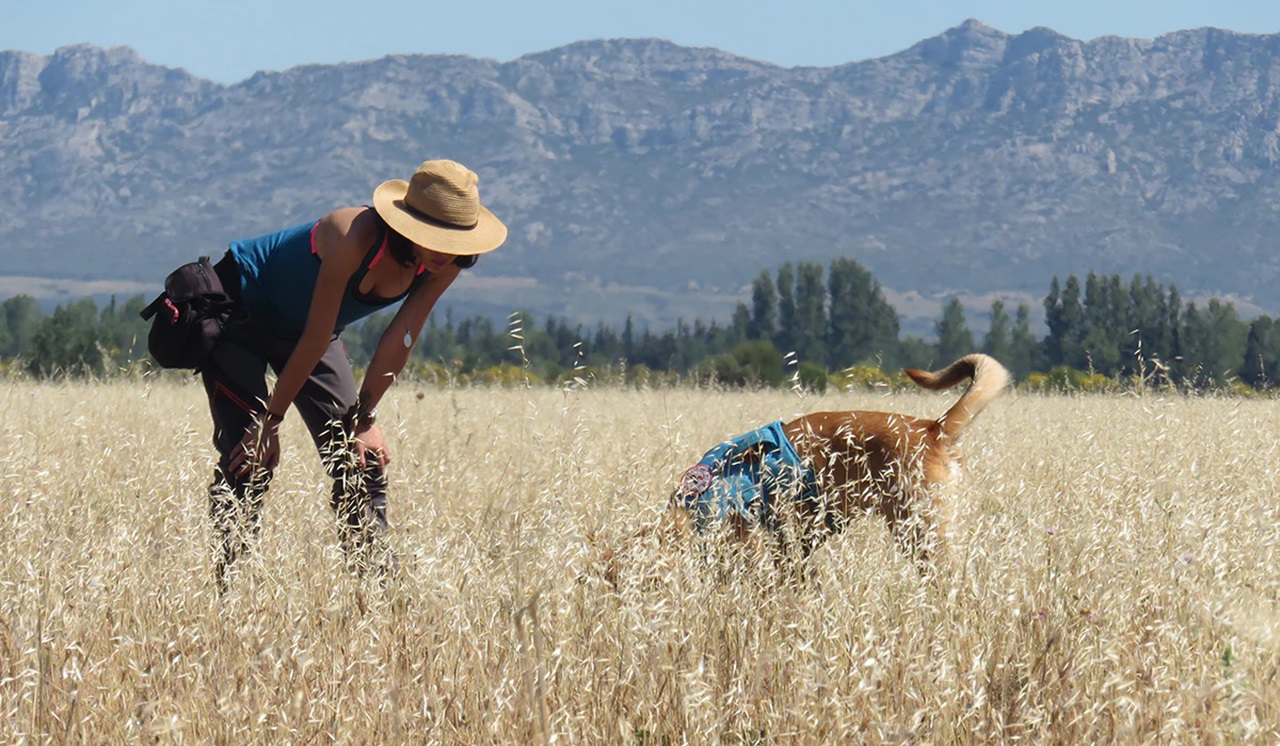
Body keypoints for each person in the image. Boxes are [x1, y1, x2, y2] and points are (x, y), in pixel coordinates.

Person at [201, 159, 507, 589]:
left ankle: (379, 595)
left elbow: (401, 337)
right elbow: (315, 336)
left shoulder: (446, 262)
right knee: (249, 458)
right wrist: (270, 422)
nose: (443, 249)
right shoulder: (353, 235)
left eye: (454, 239)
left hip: (308, 332)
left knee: (361, 460)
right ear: (408, 225)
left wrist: (365, 421)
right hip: (239, 314)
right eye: (435, 236)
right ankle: (225, 590)